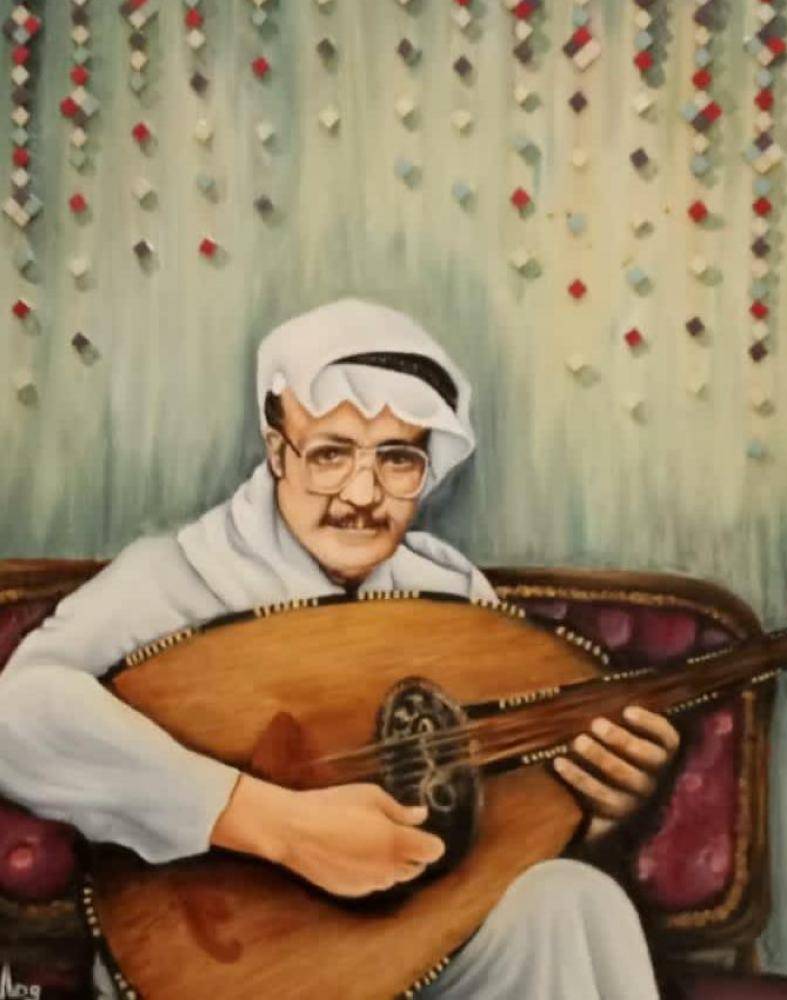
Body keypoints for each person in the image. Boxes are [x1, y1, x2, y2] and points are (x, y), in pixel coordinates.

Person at [0, 299, 680, 999]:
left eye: (397, 459)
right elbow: (16, 712)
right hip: (228, 967)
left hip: (415, 956)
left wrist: (594, 811)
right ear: (277, 452)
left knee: (577, 903)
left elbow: (488, 819)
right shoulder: (175, 576)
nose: (362, 494)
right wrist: (272, 823)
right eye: (330, 455)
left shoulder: (448, 592)